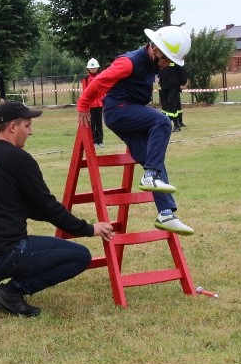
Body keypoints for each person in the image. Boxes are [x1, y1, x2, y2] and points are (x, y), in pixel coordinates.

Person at [0, 101, 114, 317]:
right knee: (80, 256)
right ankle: (12, 292)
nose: (30, 132)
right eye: (27, 126)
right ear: (13, 127)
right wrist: (88, 229)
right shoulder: (19, 159)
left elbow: (19, 206)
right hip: (0, 255)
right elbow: (47, 206)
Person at [77, 26, 194, 236]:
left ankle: (166, 213)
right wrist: (84, 105)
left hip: (133, 113)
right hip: (118, 111)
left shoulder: (153, 64)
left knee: (153, 160)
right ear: (156, 49)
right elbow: (100, 81)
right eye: (166, 59)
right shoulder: (128, 62)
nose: (167, 65)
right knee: (163, 122)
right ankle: (149, 175)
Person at [80, 58, 105, 148]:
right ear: (88, 69)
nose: (93, 69)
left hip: (99, 104)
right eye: (92, 68)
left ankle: (100, 140)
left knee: (99, 123)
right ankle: (94, 141)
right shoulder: (86, 79)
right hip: (91, 105)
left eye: (95, 68)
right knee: (92, 123)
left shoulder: (101, 76)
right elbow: (85, 92)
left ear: (97, 68)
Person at [158, 60, 188, 131]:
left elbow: (182, 72)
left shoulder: (176, 60)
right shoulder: (162, 59)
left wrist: (182, 83)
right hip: (164, 85)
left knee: (171, 103)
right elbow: (160, 71)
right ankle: (165, 123)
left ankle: (176, 125)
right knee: (165, 106)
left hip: (174, 86)